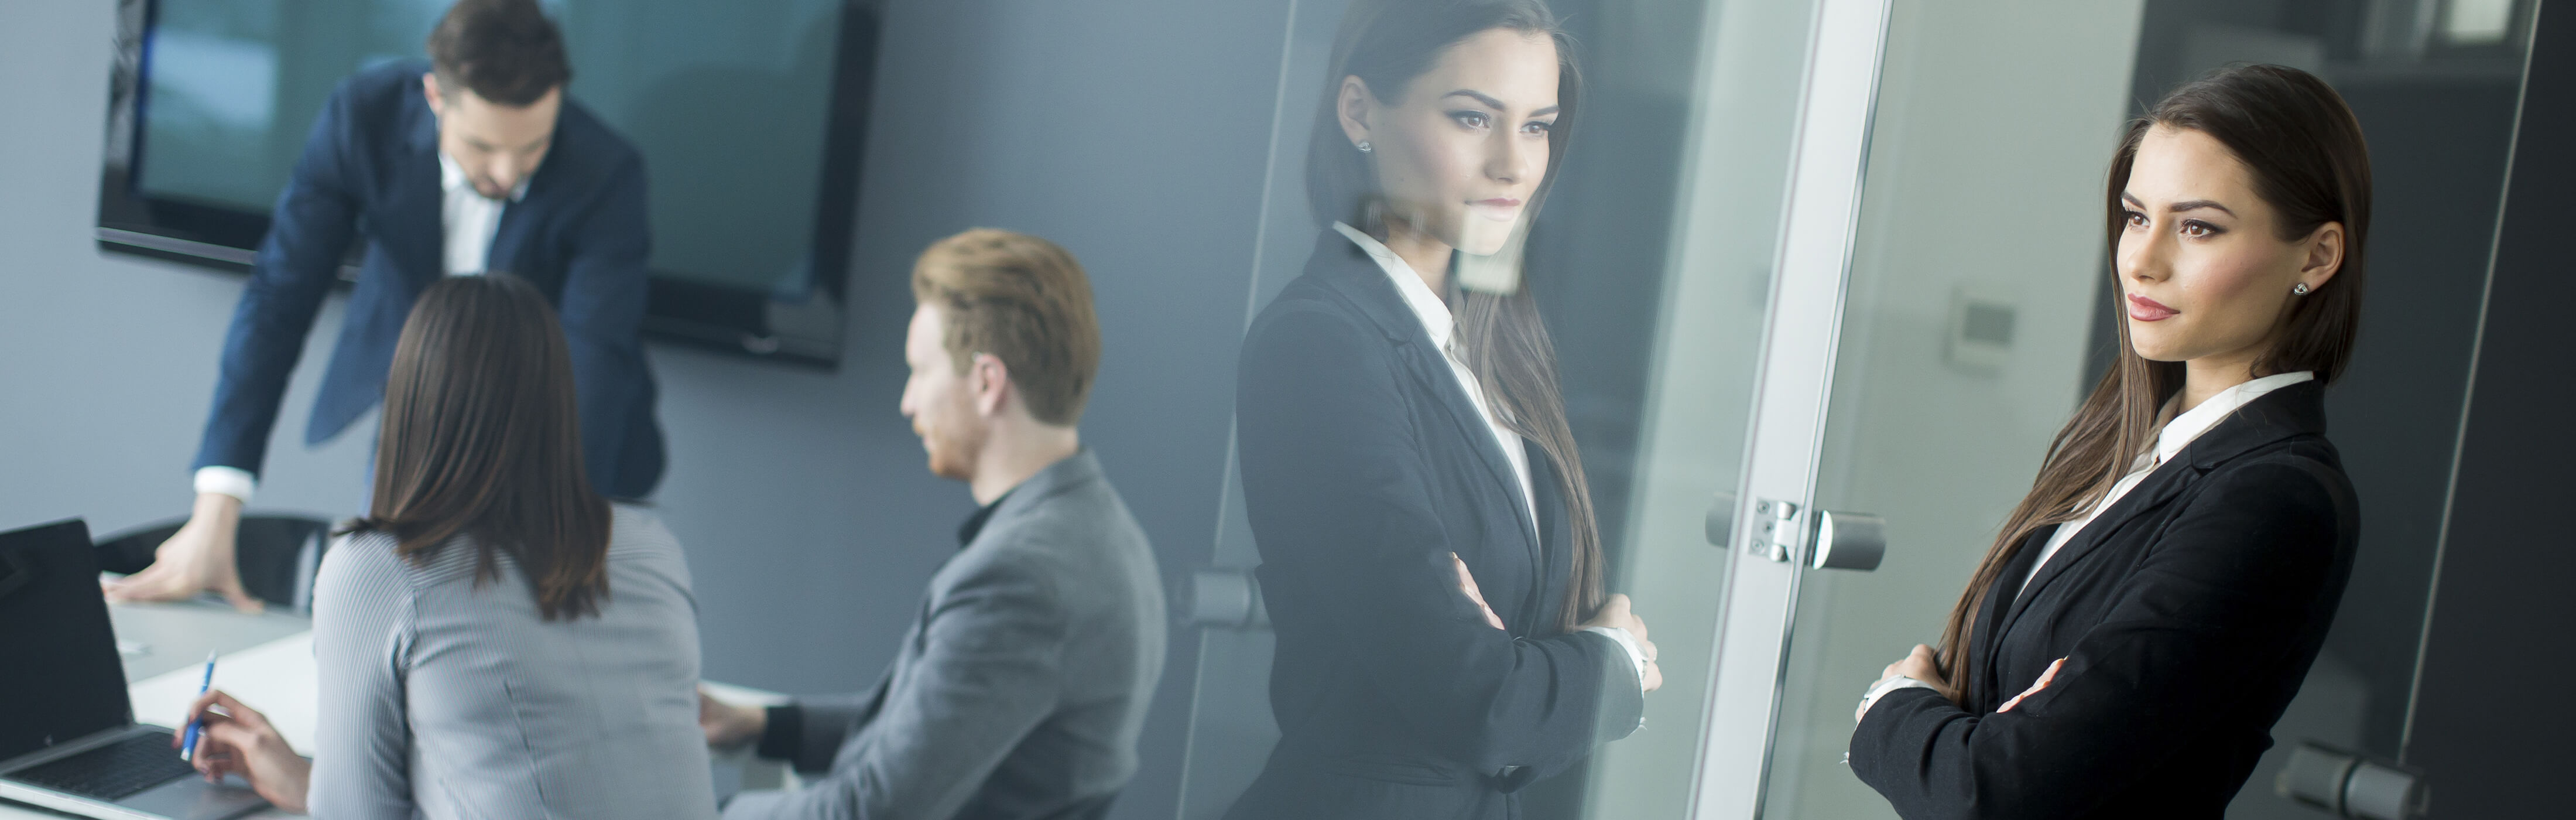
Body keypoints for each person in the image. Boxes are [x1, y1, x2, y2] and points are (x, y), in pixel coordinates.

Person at [1848, 64, 2369, 819]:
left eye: (2197, 227)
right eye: (2134, 216)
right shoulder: (2122, 450)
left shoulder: (2276, 497)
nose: (2141, 259)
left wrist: (1890, 704)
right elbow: (1990, 734)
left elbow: (1994, 790)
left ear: (2316, 257)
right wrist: (1975, 734)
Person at [1222, 2, 1656, 818]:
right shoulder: (1319, 344)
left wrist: (1535, 672)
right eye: (1471, 118)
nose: (1513, 166)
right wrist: (1612, 664)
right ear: (1361, 112)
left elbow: (1510, 684)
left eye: (1537, 127)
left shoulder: (1492, 344)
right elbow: (1483, 704)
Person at [108, 0, 663, 611]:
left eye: (531, 147)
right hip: (415, 402)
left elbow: (594, 358)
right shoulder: (362, 118)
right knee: (390, 603)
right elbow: (279, 297)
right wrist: (218, 504)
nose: (507, 172)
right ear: (435, 97)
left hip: (564, 430)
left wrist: (557, 540)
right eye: (482, 146)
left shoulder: (607, 171)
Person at [175, 274, 717, 819]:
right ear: (559, 398)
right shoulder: (651, 545)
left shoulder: (379, 571)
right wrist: (303, 781)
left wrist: (306, 787)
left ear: (410, 400)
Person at [698, 229, 1167, 820]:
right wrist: (766, 725)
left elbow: (873, 810)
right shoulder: (1096, 530)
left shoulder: (1022, 575)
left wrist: (709, 811)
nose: (907, 400)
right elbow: (935, 726)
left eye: (920, 370)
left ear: (986, 381)